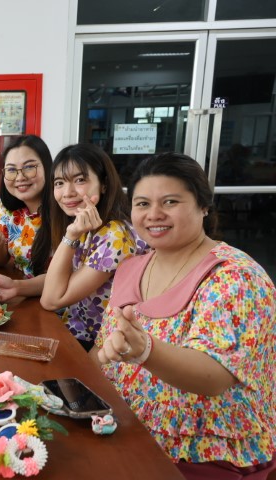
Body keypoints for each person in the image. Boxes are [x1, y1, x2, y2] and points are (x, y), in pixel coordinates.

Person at [93, 153, 276, 479]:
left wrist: (145, 350)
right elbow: (101, 352)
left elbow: (214, 377)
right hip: (119, 428)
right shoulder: (132, 266)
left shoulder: (236, 277)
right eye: (143, 203)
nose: (154, 214)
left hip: (201, 450)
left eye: (170, 202)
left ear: (203, 205)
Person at [0, 143, 147, 350]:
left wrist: (70, 236)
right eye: (59, 183)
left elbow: (51, 299)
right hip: (76, 329)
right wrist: (16, 287)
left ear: (104, 184)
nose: (67, 192)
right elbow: (64, 279)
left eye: (80, 180)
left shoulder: (115, 234)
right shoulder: (87, 224)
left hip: (105, 347)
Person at [0, 135, 53, 298]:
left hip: (58, 303)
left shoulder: (64, 208)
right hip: (23, 297)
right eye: (11, 170)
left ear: (47, 167)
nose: (20, 177)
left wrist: (17, 287)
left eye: (29, 167)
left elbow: (67, 276)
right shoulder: (8, 208)